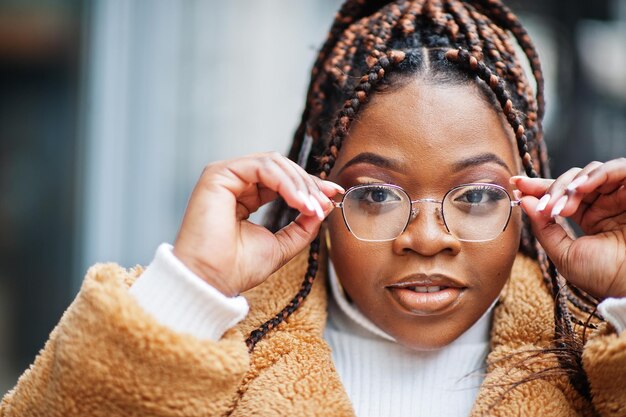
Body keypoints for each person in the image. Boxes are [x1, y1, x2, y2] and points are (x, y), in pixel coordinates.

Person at [2, 0, 625, 415]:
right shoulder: (222, 350)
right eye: (377, 194)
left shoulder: (594, 359)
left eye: (480, 195)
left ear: (528, 200)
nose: (429, 239)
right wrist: (189, 293)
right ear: (320, 193)